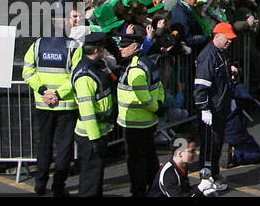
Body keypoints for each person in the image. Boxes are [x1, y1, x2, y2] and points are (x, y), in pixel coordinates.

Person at [20, 32, 79, 196]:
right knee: (64, 147)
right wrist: (58, 94)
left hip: (43, 104)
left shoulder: (37, 45)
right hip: (66, 106)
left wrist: (43, 91)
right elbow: (76, 75)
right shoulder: (74, 46)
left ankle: (40, 185)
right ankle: (58, 186)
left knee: (44, 145)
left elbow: (27, 72)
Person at [115, 24, 163, 197]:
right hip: (147, 121)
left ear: (135, 47)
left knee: (136, 162)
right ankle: (155, 187)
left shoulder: (135, 69)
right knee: (150, 157)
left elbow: (143, 97)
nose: (120, 50)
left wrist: (155, 107)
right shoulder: (146, 61)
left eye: (124, 46)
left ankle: (139, 191)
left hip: (135, 122)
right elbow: (159, 87)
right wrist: (159, 106)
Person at [194, 21, 240, 192]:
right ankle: (206, 178)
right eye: (227, 39)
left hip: (220, 106)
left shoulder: (222, 53)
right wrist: (204, 109)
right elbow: (200, 87)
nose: (230, 42)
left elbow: (223, 78)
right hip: (211, 108)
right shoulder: (208, 57)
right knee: (209, 145)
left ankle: (214, 173)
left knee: (217, 143)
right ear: (217, 36)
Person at [70, 31, 115, 197]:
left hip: (99, 129)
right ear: (97, 50)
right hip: (90, 134)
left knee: (95, 176)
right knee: (91, 178)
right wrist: (95, 138)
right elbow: (87, 111)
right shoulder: (85, 75)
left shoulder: (95, 67)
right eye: (102, 48)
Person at [150, 136, 215, 197]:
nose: (195, 153)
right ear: (180, 153)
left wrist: (203, 192)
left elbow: (186, 191)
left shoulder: (183, 166)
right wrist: (199, 189)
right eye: (192, 151)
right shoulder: (169, 174)